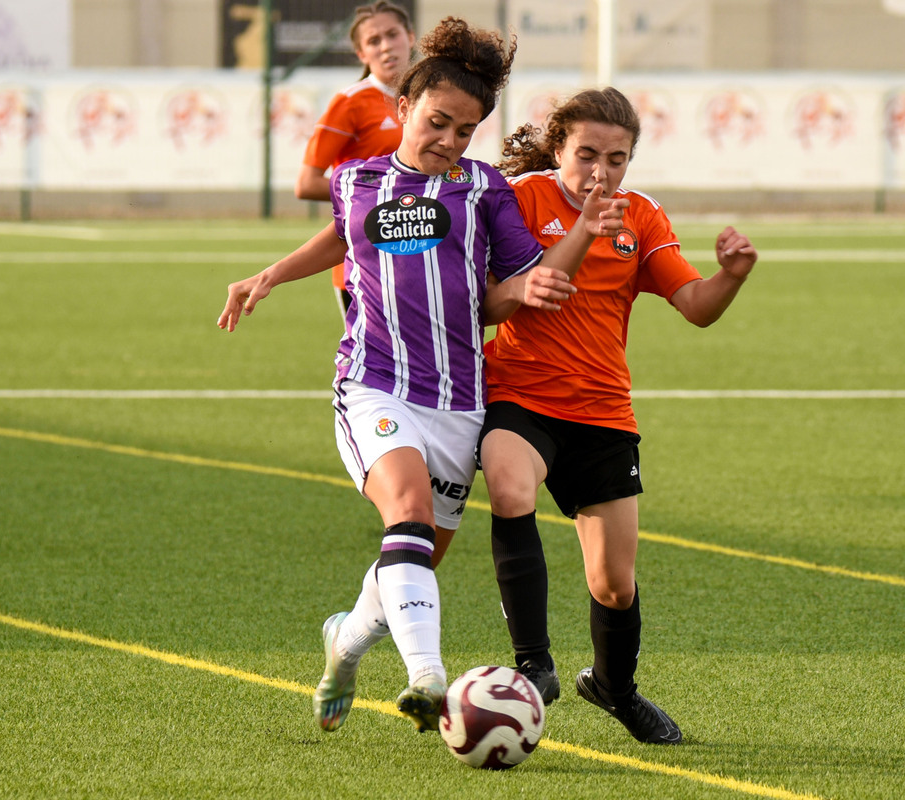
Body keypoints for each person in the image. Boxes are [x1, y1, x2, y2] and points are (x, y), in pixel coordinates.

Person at [217, 18, 627, 735]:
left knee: (411, 560)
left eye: (465, 131)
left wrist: (561, 257)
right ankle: (429, 679)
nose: (448, 140)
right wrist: (272, 274)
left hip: (460, 403)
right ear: (404, 108)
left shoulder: (485, 191)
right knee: (403, 511)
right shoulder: (357, 179)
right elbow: (341, 233)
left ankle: (344, 644)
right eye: (438, 122)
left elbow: (520, 284)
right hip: (374, 383)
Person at [480, 87, 758, 745]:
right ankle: (534, 665)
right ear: (558, 149)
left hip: (602, 409)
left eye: (618, 158)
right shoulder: (520, 200)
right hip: (520, 395)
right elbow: (502, 303)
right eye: (586, 155)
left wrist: (732, 277)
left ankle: (614, 688)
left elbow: (693, 304)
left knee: (613, 585)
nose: (601, 172)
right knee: (510, 486)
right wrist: (583, 230)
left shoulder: (643, 217)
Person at [295, 2, 415, 316]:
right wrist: (380, 192)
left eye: (393, 34)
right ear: (362, 54)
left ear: (411, 37)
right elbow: (306, 184)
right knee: (371, 361)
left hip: (419, 247)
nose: (386, 46)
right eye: (374, 41)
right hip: (363, 257)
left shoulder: (429, 99)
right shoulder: (350, 103)